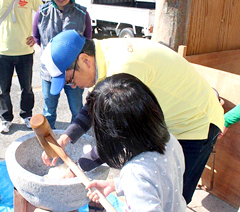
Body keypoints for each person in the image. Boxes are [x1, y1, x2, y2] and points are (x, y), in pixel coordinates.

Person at [40, 30, 224, 204]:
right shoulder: (101, 53)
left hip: (197, 124)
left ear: (84, 60)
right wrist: (66, 137)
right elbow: (95, 102)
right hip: (172, 120)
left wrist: (77, 167)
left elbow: (119, 139)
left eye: (70, 80)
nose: (73, 86)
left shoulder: (124, 68)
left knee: (174, 196)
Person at [84, 73, 186, 211]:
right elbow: (157, 181)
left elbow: (142, 180)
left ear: (111, 133)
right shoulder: (170, 141)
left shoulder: (134, 173)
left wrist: (129, 182)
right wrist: (116, 185)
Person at [0, 0, 42, 133]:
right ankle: (5, 118)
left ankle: (26, 115)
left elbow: (44, 13)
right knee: (3, 89)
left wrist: (36, 36)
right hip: (2, 52)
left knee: (26, 87)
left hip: (25, 51)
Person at [32, 0, 92, 129]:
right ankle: (49, 143)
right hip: (50, 74)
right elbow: (37, 38)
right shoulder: (42, 12)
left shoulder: (82, 13)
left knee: (77, 110)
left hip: (75, 73)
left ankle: (77, 140)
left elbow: (88, 41)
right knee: (49, 110)